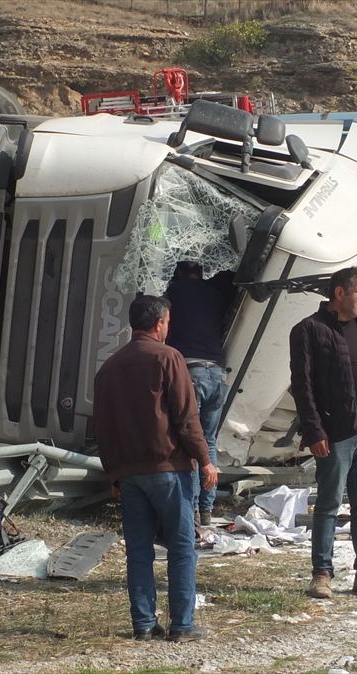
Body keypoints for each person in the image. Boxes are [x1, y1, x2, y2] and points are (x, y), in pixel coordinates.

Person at [93, 295, 219, 642]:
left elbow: (102, 428)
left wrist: (114, 473)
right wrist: (205, 460)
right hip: (169, 469)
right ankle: (182, 624)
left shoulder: (108, 368)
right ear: (160, 323)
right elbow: (186, 417)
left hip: (129, 474)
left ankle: (144, 624)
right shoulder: (169, 357)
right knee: (181, 547)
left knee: (138, 551)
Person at [289, 267, 357, 599]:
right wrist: (314, 430)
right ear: (340, 293)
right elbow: (303, 387)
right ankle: (322, 574)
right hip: (336, 433)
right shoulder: (309, 330)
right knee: (329, 503)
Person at [164, 261, 235, 527]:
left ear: (178, 271)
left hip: (190, 370)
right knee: (209, 442)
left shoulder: (173, 293)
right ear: (202, 271)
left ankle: (192, 509)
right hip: (217, 372)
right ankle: (207, 509)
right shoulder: (215, 294)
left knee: (190, 443)